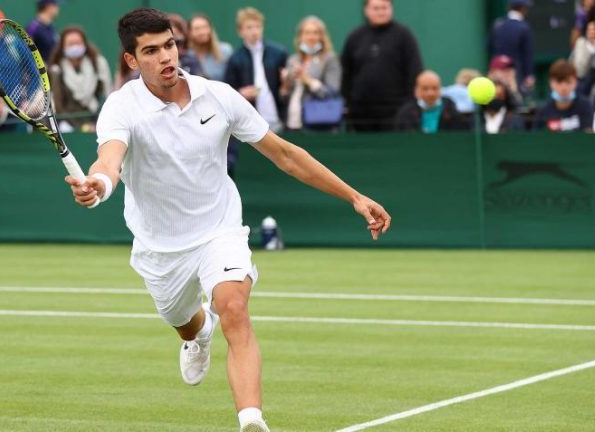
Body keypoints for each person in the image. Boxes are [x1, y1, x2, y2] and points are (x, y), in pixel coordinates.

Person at [65, 8, 391, 432]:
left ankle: (251, 420)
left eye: (169, 44)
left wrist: (354, 196)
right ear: (131, 60)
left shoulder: (217, 95)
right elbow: (109, 161)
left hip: (219, 230)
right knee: (185, 324)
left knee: (233, 308)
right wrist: (98, 186)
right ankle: (199, 336)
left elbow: (286, 155)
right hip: (159, 247)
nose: (166, 56)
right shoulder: (120, 108)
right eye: (151, 51)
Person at [341, 0, 423, 131]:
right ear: (366, 10)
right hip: (361, 114)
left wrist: (409, 105)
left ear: (391, 9)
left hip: (396, 111)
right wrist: (349, 103)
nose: (381, 12)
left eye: (384, 8)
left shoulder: (404, 35)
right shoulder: (355, 37)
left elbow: (414, 71)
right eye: (376, 8)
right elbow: (346, 73)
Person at [224, 7, 288, 133]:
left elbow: (286, 90)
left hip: (279, 120)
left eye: (258, 26)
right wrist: (241, 94)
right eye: (249, 27)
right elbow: (227, 92)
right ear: (240, 31)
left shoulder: (279, 53)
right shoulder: (235, 59)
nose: (255, 31)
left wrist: (286, 82)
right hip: (250, 124)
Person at [280, 15, 342, 131]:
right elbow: (284, 98)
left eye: (315, 33)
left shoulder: (330, 59)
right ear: (300, 36)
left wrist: (306, 79)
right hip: (292, 124)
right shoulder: (293, 60)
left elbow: (332, 92)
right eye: (307, 33)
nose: (311, 37)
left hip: (318, 124)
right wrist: (285, 84)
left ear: (321, 36)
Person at [49, 26, 112, 132]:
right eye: (70, 44)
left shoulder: (98, 64)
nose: (75, 47)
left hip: (95, 121)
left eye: (78, 43)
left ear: (85, 44)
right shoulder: (56, 70)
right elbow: (57, 104)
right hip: (66, 125)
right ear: (63, 47)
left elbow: (107, 94)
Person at [394, 70, 468, 133]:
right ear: (416, 90)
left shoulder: (451, 111)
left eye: (435, 88)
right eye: (425, 88)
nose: (430, 93)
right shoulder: (406, 113)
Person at [533, 60, 594, 132]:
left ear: (575, 82)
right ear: (551, 82)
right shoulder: (543, 110)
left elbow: (589, 134)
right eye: (559, 82)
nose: (564, 87)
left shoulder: (585, 106)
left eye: (568, 82)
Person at [489, 0, 535, 93]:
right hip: (516, 75)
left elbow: (489, 46)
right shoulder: (524, 28)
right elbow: (527, 54)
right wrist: (528, 76)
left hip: (496, 73)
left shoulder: (498, 24)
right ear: (523, 9)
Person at [188, 13, 233, 81]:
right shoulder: (187, 56)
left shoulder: (225, 51)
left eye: (205, 27)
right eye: (197, 29)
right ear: (190, 32)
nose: (202, 32)